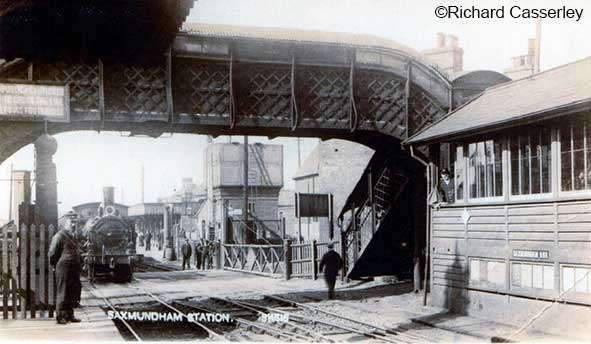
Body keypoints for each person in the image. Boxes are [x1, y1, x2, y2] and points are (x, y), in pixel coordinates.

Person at [49, 212, 83, 324]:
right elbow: (52, 253)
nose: (73, 225)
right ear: (63, 224)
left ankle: (70, 314)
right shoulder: (58, 236)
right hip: (63, 267)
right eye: (70, 223)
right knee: (62, 292)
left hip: (73, 268)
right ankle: (61, 316)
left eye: (73, 223)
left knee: (71, 291)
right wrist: (55, 265)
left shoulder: (72, 236)